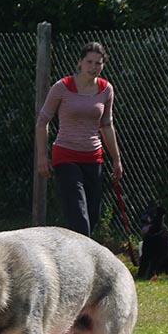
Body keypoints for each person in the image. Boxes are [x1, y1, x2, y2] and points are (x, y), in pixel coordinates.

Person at [35, 41, 123, 238]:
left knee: (93, 214)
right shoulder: (62, 87)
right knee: (79, 214)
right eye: (89, 62)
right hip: (65, 155)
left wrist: (116, 159)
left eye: (98, 63)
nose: (93, 67)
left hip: (93, 157)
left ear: (103, 65)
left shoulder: (106, 89)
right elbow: (42, 122)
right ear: (80, 63)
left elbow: (107, 124)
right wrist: (42, 156)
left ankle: (75, 255)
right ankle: (85, 263)